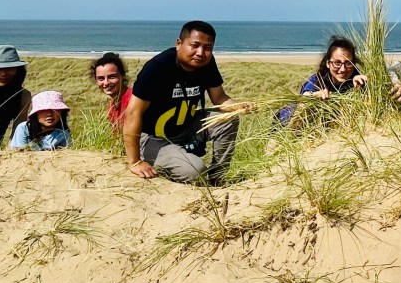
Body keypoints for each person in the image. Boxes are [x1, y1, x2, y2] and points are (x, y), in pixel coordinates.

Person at [123, 21, 252, 185]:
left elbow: (219, 98)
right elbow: (133, 113)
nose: (201, 53)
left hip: (187, 126)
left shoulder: (206, 63)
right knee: (196, 172)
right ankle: (171, 161)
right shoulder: (157, 68)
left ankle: (217, 177)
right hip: (154, 138)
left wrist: (238, 107)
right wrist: (134, 162)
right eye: (195, 45)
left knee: (229, 119)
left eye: (207, 47)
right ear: (179, 44)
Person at [277, 36, 368, 126]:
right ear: (328, 63)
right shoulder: (316, 81)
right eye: (337, 63)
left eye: (348, 63)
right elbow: (305, 97)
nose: (342, 69)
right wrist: (314, 97)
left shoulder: (357, 81)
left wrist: (360, 89)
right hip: (282, 123)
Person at [91, 52, 132, 131]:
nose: (106, 83)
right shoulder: (112, 105)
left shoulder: (133, 99)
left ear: (122, 76)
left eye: (112, 77)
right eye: (101, 78)